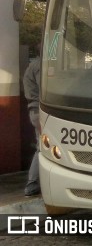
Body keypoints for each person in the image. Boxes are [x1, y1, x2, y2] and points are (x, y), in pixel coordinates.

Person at [23, 53, 41, 196]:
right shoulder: (39, 66)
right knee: (42, 147)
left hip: (34, 110)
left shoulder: (32, 66)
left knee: (41, 146)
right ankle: (32, 183)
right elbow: (46, 88)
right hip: (40, 111)